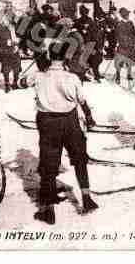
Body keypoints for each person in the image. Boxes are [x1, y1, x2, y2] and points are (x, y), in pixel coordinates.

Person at [19, 41, 99, 224]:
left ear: (49, 56)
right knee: (79, 159)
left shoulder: (38, 76)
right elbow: (82, 100)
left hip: (48, 123)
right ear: (66, 57)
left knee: (48, 165)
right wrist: (89, 117)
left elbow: (20, 83)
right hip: (70, 122)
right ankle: (86, 199)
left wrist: (32, 69)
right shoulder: (72, 78)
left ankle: (48, 210)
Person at [74, 5, 104, 82]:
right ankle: (93, 74)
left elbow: (93, 31)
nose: (85, 13)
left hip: (87, 42)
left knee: (88, 59)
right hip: (87, 42)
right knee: (89, 59)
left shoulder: (83, 21)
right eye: (84, 11)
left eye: (85, 11)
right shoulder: (85, 21)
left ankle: (93, 74)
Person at [114, 7, 135, 84]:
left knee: (130, 60)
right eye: (126, 14)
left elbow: (134, 33)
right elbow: (117, 35)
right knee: (119, 61)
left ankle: (129, 74)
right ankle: (118, 76)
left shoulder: (130, 23)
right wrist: (123, 41)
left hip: (130, 45)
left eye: (127, 14)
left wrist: (133, 41)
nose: (127, 15)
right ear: (122, 15)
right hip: (122, 45)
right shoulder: (119, 24)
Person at [0, 18, 21, 93]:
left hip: (15, 50)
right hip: (6, 51)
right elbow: (1, 40)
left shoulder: (14, 28)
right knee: (6, 69)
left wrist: (17, 45)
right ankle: (7, 84)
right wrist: (12, 43)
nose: (9, 23)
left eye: (10, 22)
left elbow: (19, 38)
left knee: (17, 67)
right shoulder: (0, 29)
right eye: (7, 21)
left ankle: (15, 83)